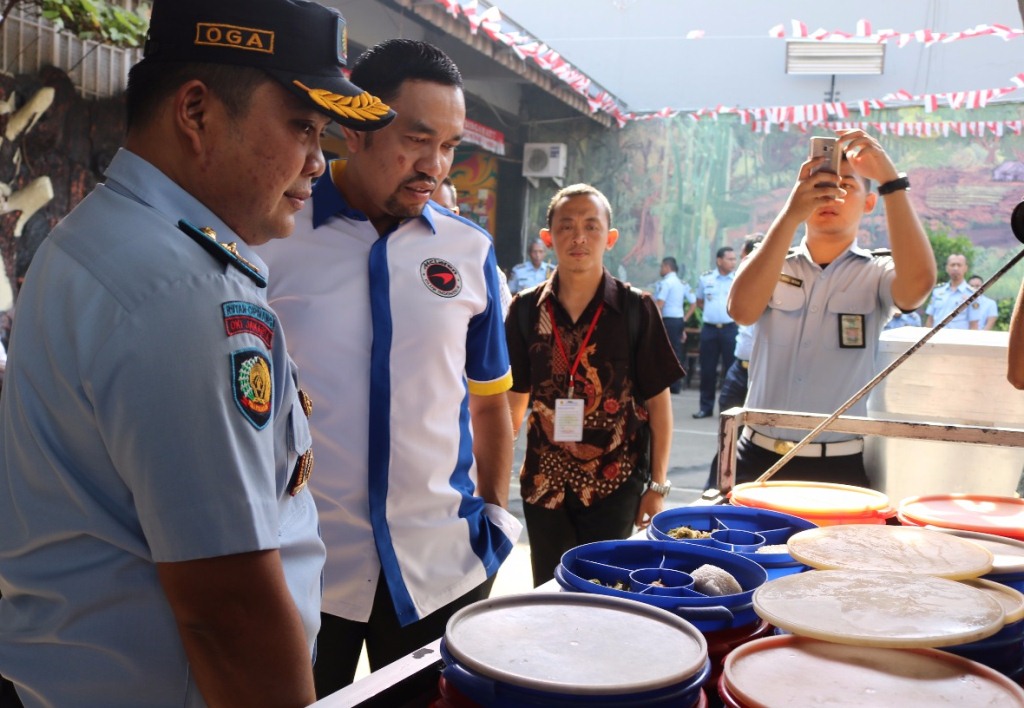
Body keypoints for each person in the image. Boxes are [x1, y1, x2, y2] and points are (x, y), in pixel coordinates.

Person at [0, 0, 396, 704]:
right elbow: (229, 618)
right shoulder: (184, 294)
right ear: (196, 112)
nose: (317, 162)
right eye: (303, 126)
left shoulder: (99, 237)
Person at [255, 39, 520, 697]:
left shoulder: (469, 252)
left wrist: (493, 516)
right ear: (355, 129)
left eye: (451, 146)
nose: (434, 165)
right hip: (306, 575)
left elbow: (489, 403)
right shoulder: (271, 242)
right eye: (416, 139)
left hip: (441, 571)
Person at [719, 128, 935, 490]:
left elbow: (917, 288)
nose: (831, 195)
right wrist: (790, 214)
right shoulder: (774, 262)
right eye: (821, 184)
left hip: (838, 466)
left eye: (847, 185)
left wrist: (891, 183)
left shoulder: (875, 273)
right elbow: (741, 310)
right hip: (757, 459)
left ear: (869, 203)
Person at [506, 184, 684, 586]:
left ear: (610, 237)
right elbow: (513, 402)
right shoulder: (523, 311)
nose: (579, 237)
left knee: (607, 597)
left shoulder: (636, 309)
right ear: (548, 237)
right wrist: (494, 479)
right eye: (566, 226)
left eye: (591, 225)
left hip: (616, 484)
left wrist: (657, 486)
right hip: (543, 486)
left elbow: (659, 404)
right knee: (549, 593)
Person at [433, 176, 512, 318]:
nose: (434, 218)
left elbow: (503, 325)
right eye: (427, 210)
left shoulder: (482, 268)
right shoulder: (396, 260)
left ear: (455, 214)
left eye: (442, 211)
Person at [717, 234, 763, 413]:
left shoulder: (773, 282)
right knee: (727, 409)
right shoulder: (742, 281)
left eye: (741, 255)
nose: (738, 261)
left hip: (761, 370)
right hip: (740, 366)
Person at [693, 246, 738, 418]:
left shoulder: (737, 279)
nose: (733, 262)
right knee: (707, 369)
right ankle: (705, 407)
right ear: (719, 260)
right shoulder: (706, 279)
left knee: (732, 371)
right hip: (710, 330)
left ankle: (729, 411)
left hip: (730, 329)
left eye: (735, 259)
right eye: (730, 259)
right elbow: (700, 301)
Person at [654, 256, 696, 394]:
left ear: (667, 267)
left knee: (665, 351)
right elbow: (694, 303)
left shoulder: (666, 283)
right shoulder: (682, 283)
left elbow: (660, 304)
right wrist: (684, 319)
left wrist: (655, 321)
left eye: (662, 267)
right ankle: (675, 384)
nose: (661, 269)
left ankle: (667, 384)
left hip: (668, 320)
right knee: (676, 352)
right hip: (678, 321)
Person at [925, 254, 980, 330]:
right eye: (952, 265)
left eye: (959, 265)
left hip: (957, 340)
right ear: (947, 268)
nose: (955, 268)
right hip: (936, 339)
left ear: (965, 268)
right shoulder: (937, 291)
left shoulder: (972, 294)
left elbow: (974, 325)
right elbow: (930, 319)